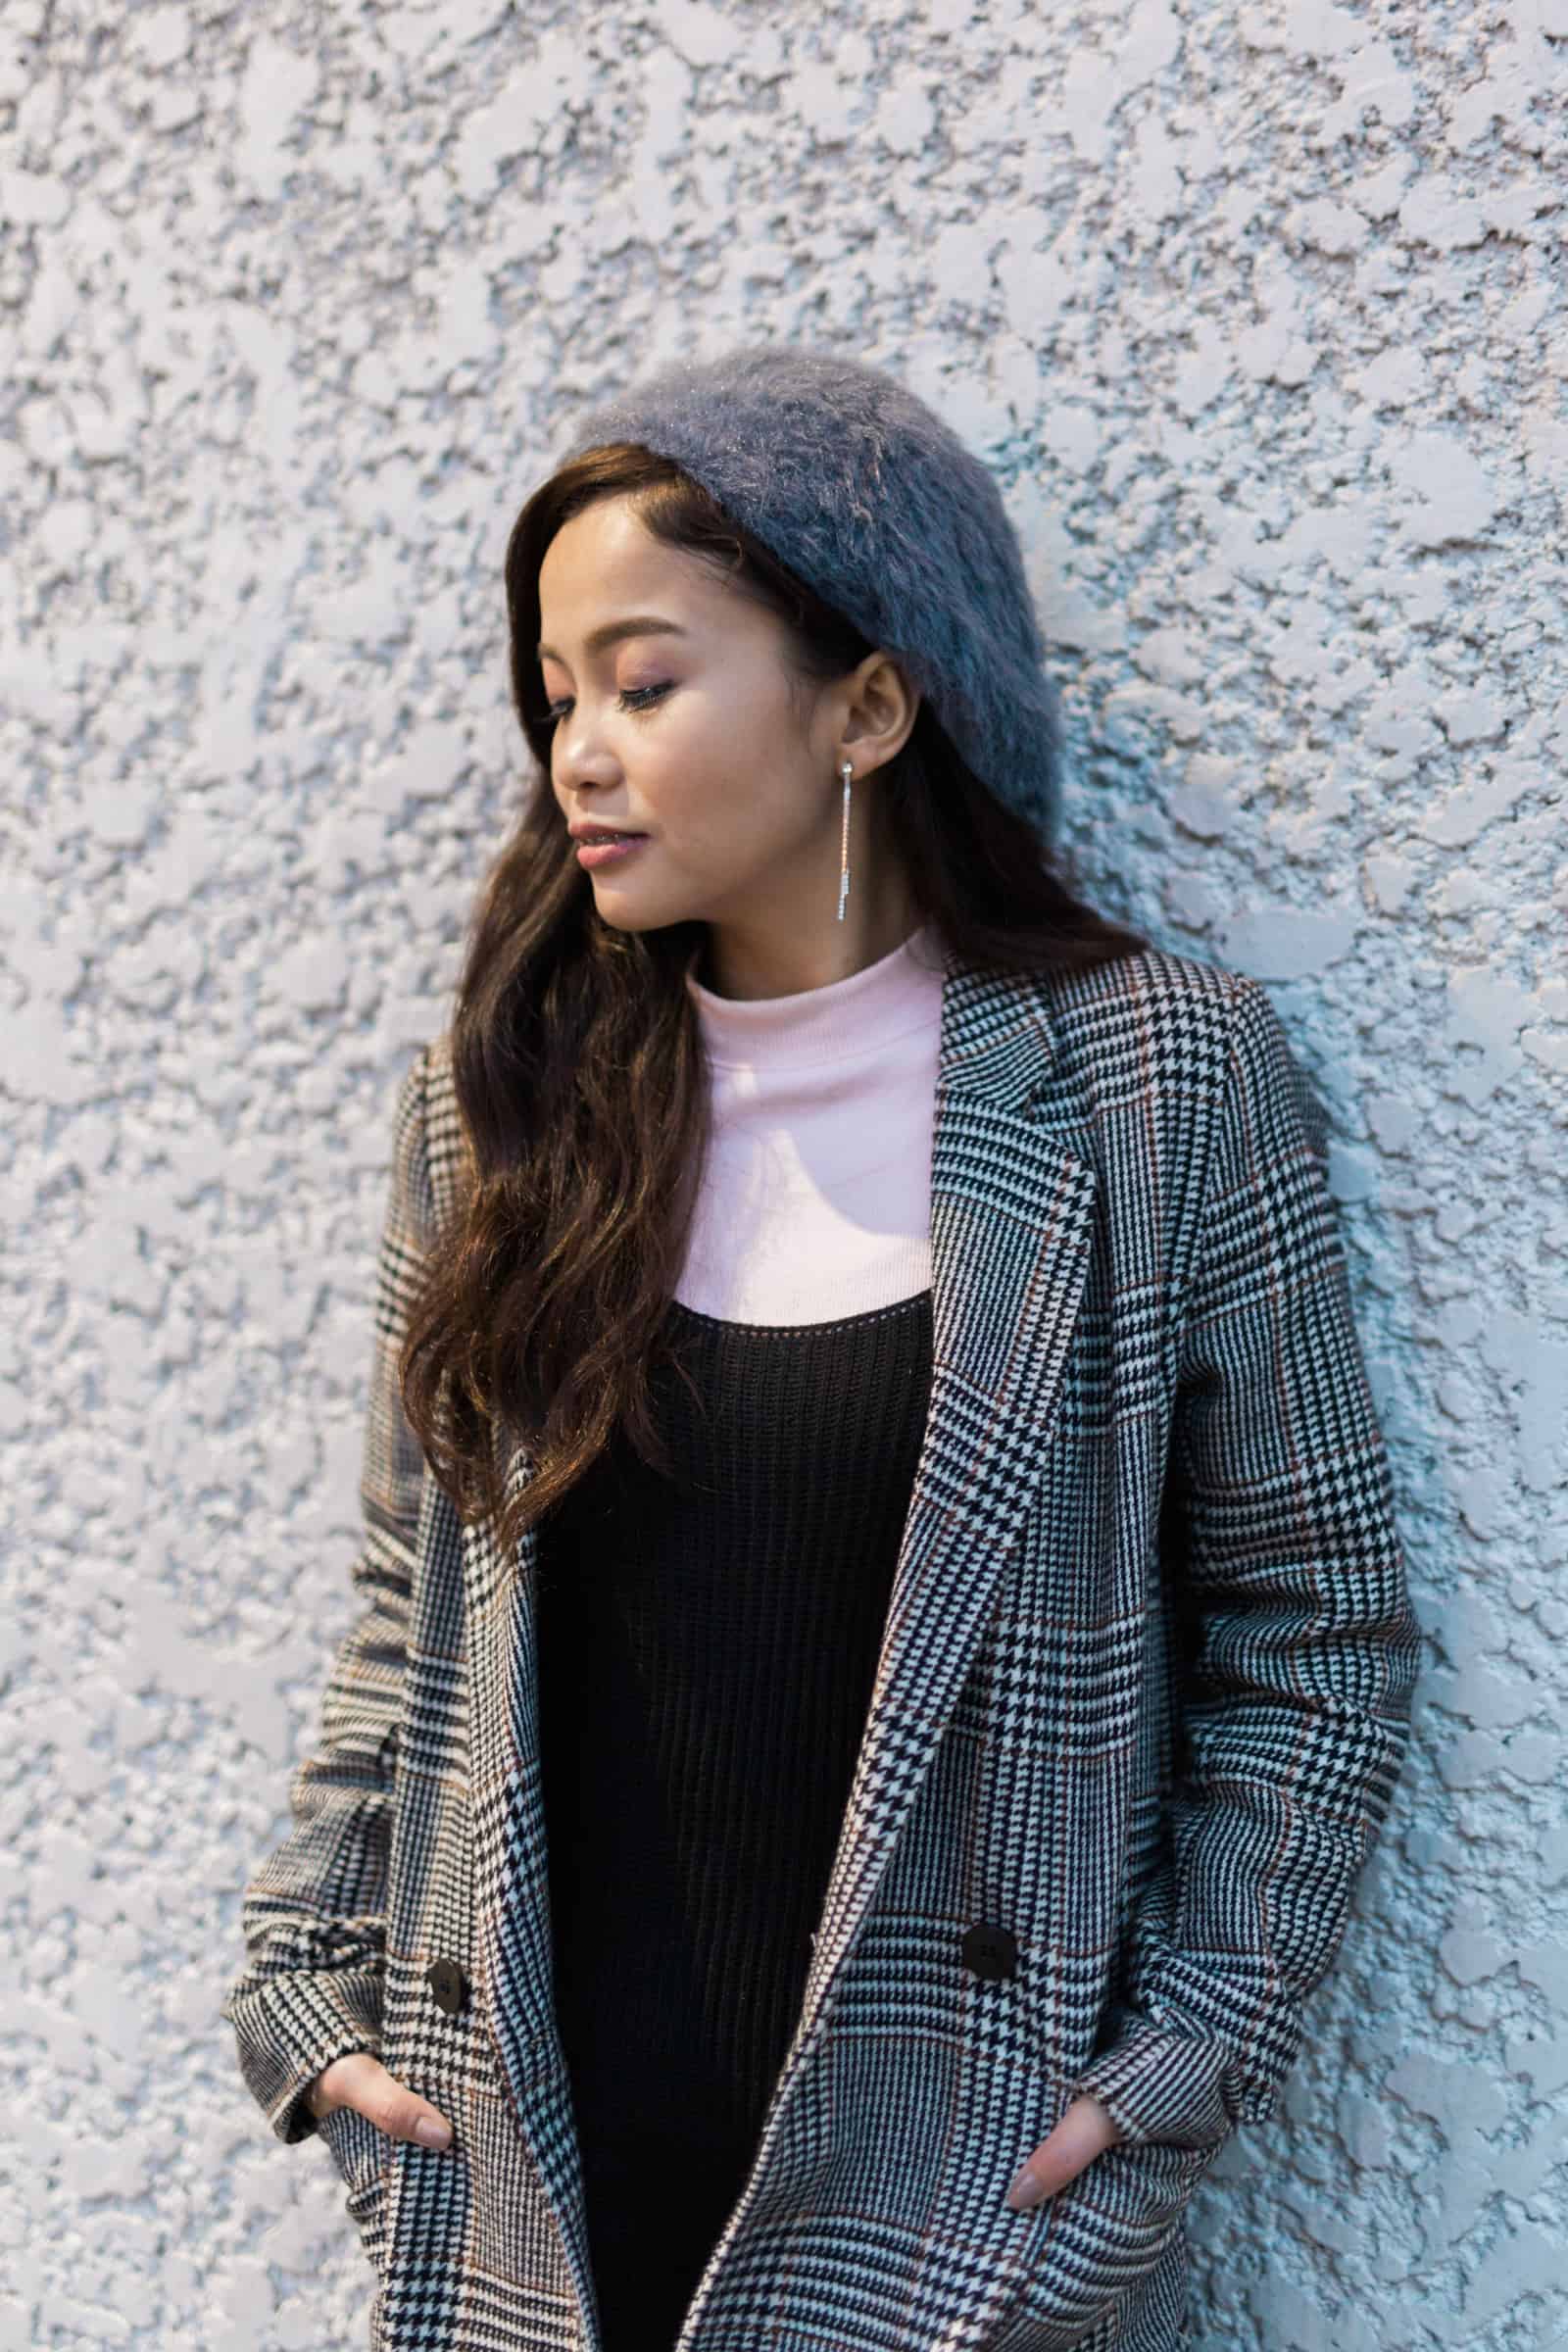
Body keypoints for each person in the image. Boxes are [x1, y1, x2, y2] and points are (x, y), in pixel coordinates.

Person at [220, 344, 1422, 2352]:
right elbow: (406, 1605)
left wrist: (1180, 2060)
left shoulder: (1153, 1083)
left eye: (644, 683)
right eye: (556, 695)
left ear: (866, 705)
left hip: (950, 2223)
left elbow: (1315, 1630)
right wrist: (310, 1986)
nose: (578, 754)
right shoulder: (504, 1115)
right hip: (524, 2194)